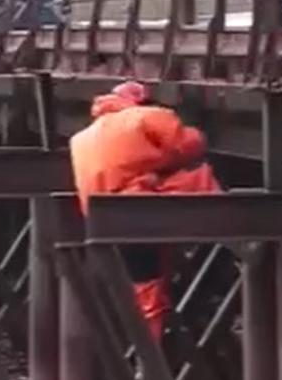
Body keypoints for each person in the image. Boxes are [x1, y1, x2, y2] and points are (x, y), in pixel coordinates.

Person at [69, 82, 222, 343]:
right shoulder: (147, 117)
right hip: (140, 211)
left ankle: (141, 348)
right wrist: (198, 132)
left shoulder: (81, 138)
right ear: (141, 100)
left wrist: (154, 170)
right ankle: (239, 237)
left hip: (103, 220)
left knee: (142, 278)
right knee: (200, 177)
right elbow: (186, 145)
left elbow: (128, 165)